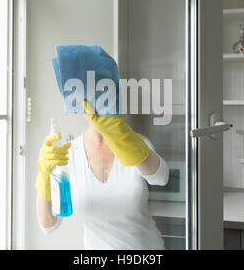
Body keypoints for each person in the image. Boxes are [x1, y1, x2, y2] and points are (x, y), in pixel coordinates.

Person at [35, 101, 169, 250]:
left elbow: (161, 178)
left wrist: (120, 135)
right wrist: (44, 176)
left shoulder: (136, 143)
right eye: (92, 98)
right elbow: (48, 225)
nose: (98, 105)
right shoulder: (68, 153)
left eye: (105, 98)